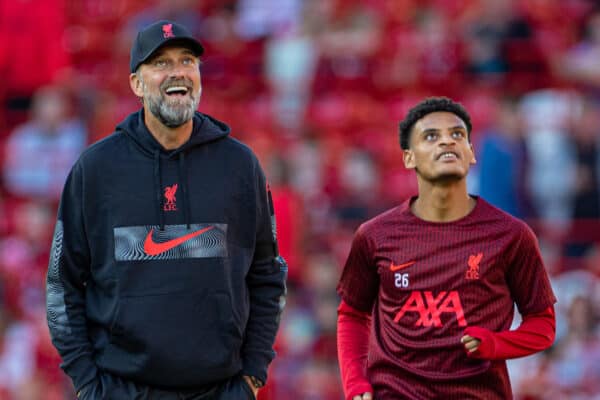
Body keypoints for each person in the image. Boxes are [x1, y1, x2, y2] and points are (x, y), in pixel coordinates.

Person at [46, 20, 287, 399]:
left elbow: (268, 276)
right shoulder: (95, 170)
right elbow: (62, 285)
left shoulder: (240, 166)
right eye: (160, 63)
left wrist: (252, 375)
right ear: (136, 84)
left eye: (187, 60)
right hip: (121, 389)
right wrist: (88, 384)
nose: (177, 71)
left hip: (221, 389)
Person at [336, 97, 556, 399]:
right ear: (409, 158)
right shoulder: (374, 235)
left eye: (457, 135)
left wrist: (496, 344)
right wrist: (355, 383)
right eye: (431, 136)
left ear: (471, 154)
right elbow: (352, 315)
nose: (447, 142)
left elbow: (543, 324)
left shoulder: (512, 235)